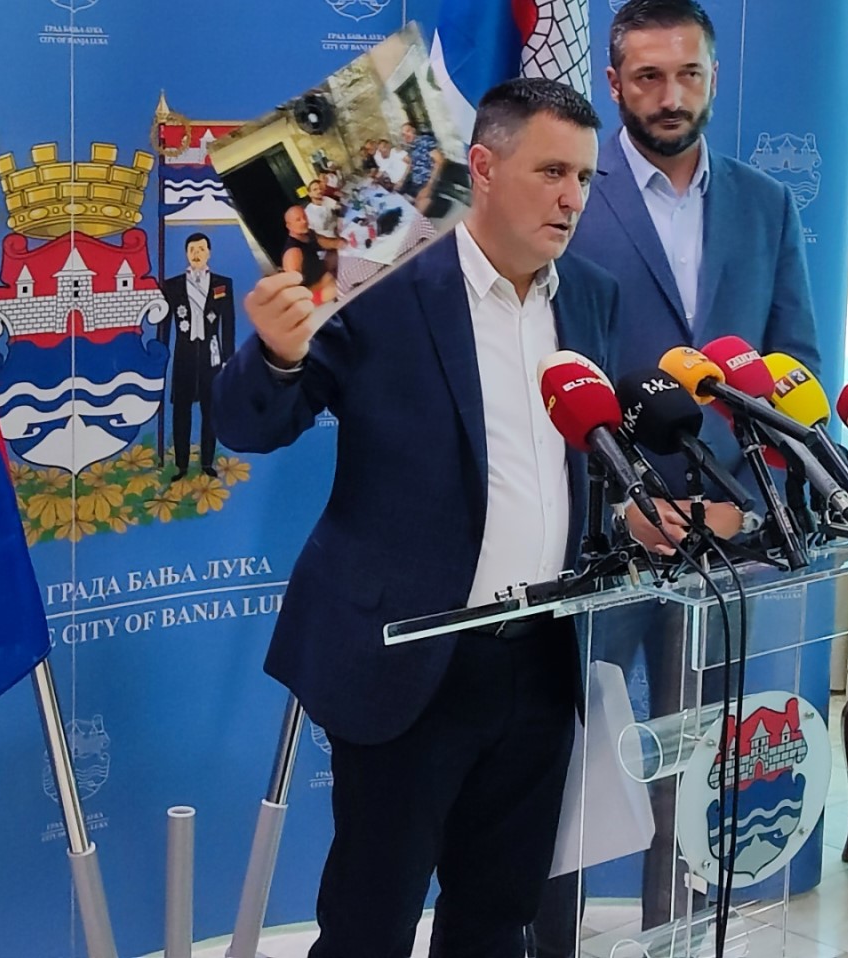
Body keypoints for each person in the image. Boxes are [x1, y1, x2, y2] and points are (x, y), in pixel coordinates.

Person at [213, 78, 616, 958]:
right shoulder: (377, 280)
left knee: (497, 919)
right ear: (484, 167)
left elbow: (584, 467)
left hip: (539, 660)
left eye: (585, 178)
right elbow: (250, 426)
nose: (573, 198)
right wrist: (276, 354)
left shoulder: (589, 296)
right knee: (370, 925)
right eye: (552, 171)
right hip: (411, 659)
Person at [529, 1, 826, 951]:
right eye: (648, 76)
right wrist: (625, 505)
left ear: (713, 79)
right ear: (612, 83)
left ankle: (681, 936)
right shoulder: (570, 195)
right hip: (598, 543)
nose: (670, 95)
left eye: (688, 74)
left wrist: (746, 504)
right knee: (570, 767)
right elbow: (534, 367)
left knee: (700, 770)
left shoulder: (765, 204)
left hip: (726, 548)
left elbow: (793, 367)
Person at [159, 232, 236, 481]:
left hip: (211, 355)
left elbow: (228, 324)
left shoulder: (223, 284)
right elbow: (164, 325)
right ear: (186, 253)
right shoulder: (172, 285)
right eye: (192, 249)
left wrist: (229, 358)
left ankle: (206, 462)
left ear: (209, 253)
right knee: (181, 410)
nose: (196, 254)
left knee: (210, 409)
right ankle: (181, 464)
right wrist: (161, 354)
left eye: (201, 249)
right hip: (184, 354)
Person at [281, 204, 340, 304]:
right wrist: (319, 287)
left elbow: (326, 242)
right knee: (342, 285)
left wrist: (342, 242)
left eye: (304, 217)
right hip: (316, 294)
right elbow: (294, 287)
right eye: (298, 220)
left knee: (339, 255)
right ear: (289, 226)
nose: (304, 221)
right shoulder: (293, 252)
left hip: (325, 274)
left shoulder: (308, 234)